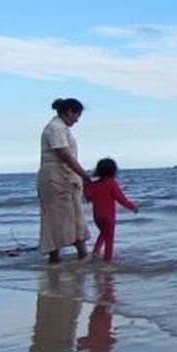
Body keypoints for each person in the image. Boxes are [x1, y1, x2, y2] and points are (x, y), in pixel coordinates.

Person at [38, 98, 92, 264]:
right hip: (55, 177)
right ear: (69, 112)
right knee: (55, 218)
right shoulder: (55, 128)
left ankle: (82, 254)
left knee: (75, 216)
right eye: (77, 115)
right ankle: (55, 258)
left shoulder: (62, 129)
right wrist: (84, 174)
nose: (77, 120)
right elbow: (64, 155)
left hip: (66, 178)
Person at [82, 158, 138, 262]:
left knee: (103, 233)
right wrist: (133, 207)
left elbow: (88, 198)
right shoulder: (112, 183)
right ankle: (108, 260)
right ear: (113, 170)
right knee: (109, 238)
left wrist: (86, 185)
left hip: (97, 217)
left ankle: (95, 253)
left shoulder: (95, 184)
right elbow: (121, 199)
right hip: (108, 217)